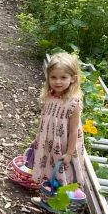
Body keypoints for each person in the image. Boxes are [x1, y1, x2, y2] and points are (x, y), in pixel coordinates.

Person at [29, 52, 87, 194]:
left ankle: (63, 203)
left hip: (63, 146)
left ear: (73, 79)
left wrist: (69, 153)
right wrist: (38, 139)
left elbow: (74, 131)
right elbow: (46, 122)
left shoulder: (73, 103)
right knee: (49, 170)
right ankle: (48, 198)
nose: (58, 82)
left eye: (63, 77)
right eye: (53, 77)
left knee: (61, 173)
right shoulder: (49, 96)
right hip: (48, 142)